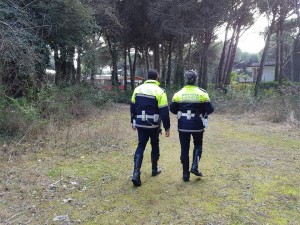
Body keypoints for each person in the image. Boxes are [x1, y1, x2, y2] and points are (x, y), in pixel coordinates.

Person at [170, 70, 214, 182]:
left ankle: (185, 175)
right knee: (198, 144)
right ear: (196, 79)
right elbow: (210, 109)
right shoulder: (202, 93)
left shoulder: (178, 93)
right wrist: (202, 112)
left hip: (183, 125)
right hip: (197, 124)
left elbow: (173, 109)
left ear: (186, 79)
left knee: (184, 148)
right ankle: (195, 166)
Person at [130, 69, 170, 187]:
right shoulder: (160, 91)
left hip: (140, 123)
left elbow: (132, 107)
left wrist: (133, 121)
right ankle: (154, 169)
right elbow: (164, 111)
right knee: (155, 144)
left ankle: (136, 173)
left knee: (141, 145)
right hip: (153, 124)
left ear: (147, 77)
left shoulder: (138, 89)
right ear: (157, 77)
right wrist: (167, 127)